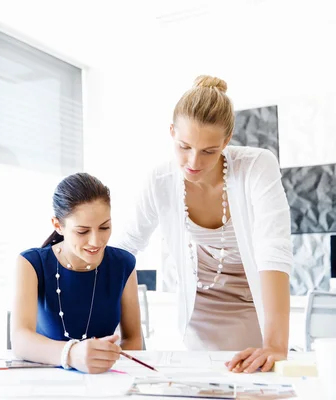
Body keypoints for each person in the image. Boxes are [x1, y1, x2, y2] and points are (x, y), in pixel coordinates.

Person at [117, 75, 292, 373]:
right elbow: (123, 250)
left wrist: (276, 345)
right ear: (171, 132)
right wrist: (130, 337)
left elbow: (273, 248)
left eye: (209, 151)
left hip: (255, 300)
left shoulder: (257, 166)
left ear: (226, 140)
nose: (193, 162)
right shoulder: (159, 181)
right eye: (183, 146)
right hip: (201, 308)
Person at [10, 172, 143, 374]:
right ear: (58, 226)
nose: (96, 241)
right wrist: (72, 354)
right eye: (82, 231)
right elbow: (20, 340)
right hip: (46, 380)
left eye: (104, 227)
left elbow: (133, 339)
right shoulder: (31, 263)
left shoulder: (123, 264)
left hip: (103, 378)